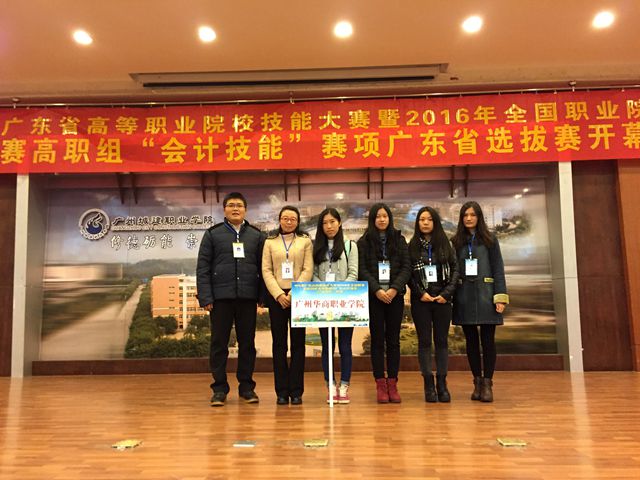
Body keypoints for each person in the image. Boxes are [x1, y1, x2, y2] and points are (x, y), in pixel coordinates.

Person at [196, 192, 265, 407]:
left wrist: (262, 296)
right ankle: (219, 389)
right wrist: (206, 297)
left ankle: (247, 388)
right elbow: (203, 268)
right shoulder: (212, 234)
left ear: (245, 210)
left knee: (247, 344)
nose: (235, 209)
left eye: (239, 205)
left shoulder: (256, 236)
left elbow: (264, 268)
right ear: (224, 209)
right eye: (231, 205)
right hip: (220, 299)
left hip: (247, 298)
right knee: (219, 344)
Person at [451, 201, 509, 403]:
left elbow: (498, 268)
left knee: (488, 340)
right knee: (471, 341)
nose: (469, 218)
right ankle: (476, 381)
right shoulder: (456, 241)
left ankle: (487, 383)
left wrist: (500, 296)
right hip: (464, 295)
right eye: (465, 215)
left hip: (486, 295)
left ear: (479, 217)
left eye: (472, 215)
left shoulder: (490, 240)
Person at [357, 203, 411, 403]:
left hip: (395, 297)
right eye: (378, 216)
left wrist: (394, 288)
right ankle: (380, 383)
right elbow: (362, 269)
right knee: (377, 341)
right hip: (374, 298)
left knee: (394, 341)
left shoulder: (399, 239)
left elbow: (406, 267)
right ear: (372, 219)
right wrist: (377, 290)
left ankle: (393, 383)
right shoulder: (364, 242)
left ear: (390, 218)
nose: (381, 219)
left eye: (385, 216)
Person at [262, 205, 313, 405]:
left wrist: (293, 293)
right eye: (285, 218)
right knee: (279, 345)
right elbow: (266, 270)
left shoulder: (305, 241)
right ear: (280, 220)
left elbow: (308, 269)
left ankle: (297, 391)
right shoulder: (270, 242)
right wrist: (278, 294)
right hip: (277, 298)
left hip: (298, 295)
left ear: (298, 221)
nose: (289, 222)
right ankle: (281, 392)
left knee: (298, 345)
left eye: (293, 219)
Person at [408, 206, 459, 403]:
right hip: (421, 301)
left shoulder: (446, 244)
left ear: (435, 222)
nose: (425, 222)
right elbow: (409, 274)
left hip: (442, 301)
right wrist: (420, 293)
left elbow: (455, 270)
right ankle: (428, 384)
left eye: (429, 219)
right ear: (417, 223)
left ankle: (442, 384)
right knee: (424, 342)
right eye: (422, 219)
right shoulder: (412, 246)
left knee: (442, 341)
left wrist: (446, 294)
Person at [312, 208, 359, 404]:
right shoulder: (316, 247)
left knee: (345, 346)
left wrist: (339, 290)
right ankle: (330, 385)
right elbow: (313, 274)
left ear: (339, 223)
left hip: (345, 301)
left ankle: (344, 385)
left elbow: (353, 273)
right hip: (324, 302)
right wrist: (325, 289)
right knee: (327, 346)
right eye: (325, 223)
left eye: (332, 222)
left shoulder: (350, 246)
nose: (329, 226)